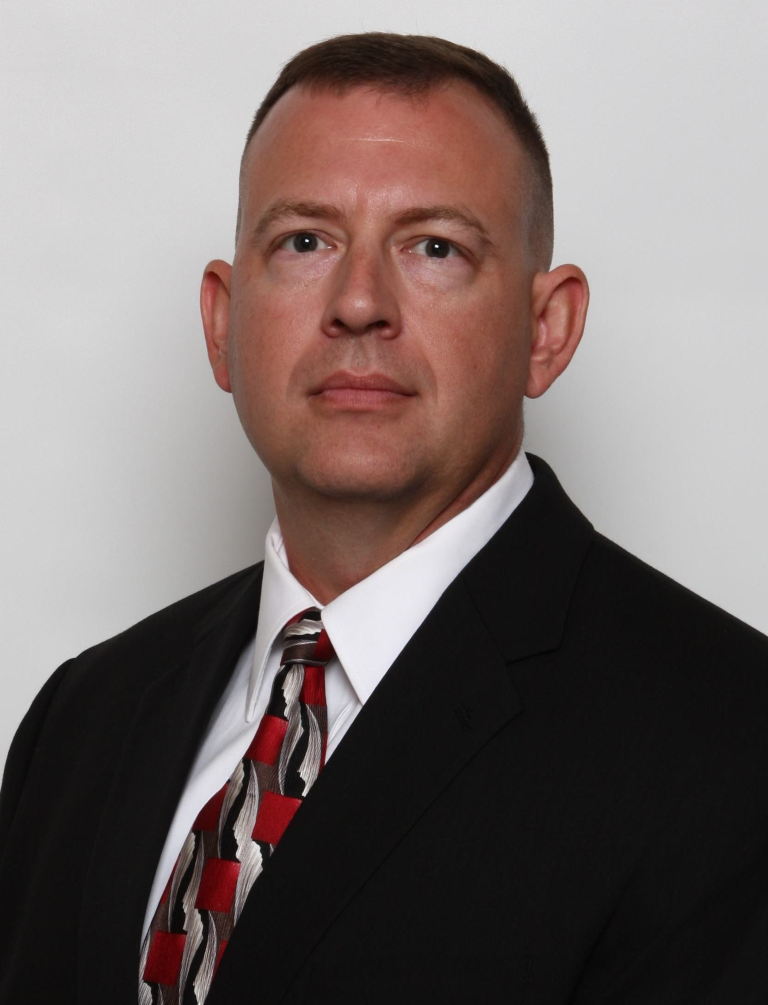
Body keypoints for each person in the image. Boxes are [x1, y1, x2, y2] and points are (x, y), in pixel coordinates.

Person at [1, 30, 767, 1005]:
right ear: (223, 323)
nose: (359, 303)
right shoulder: (84, 719)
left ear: (546, 330)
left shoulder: (730, 740)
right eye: (305, 242)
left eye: (435, 247)